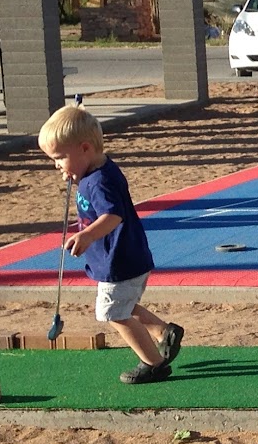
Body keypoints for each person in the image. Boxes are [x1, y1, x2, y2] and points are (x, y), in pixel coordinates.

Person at [37, 104, 184, 384]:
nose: (57, 165)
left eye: (59, 158)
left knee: (112, 313)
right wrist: (75, 174)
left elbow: (113, 215)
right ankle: (163, 332)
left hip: (119, 260)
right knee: (123, 304)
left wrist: (87, 235)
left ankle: (153, 363)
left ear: (84, 148)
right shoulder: (95, 171)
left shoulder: (99, 182)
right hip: (125, 257)